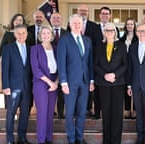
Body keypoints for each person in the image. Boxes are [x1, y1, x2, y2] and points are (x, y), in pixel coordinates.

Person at [57, 14, 95, 144]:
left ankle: (79, 137)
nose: (77, 25)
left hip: (85, 81)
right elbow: (61, 62)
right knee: (69, 112)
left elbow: (90, 62)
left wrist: (91, 80)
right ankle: (71, 138)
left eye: (79, 23)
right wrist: (63, 82)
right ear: (70, 24)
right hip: (70, 82)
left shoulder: (87, 40)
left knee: (82, 111)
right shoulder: (64, 40)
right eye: (74, 23)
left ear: (82, 25)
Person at [94, 23, 127, 144]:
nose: (109, 32)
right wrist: (105, 75)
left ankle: (116, 140)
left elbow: (125, 64)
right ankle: (106, 140)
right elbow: (95, 64)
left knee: (117, 114)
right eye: (107, 30)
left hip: (118, 83)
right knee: (106, 113)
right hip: (103, 84)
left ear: (115, 32)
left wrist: (115, 75)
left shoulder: (122, 46)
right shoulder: (98, 46)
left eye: (112, 30)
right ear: (104, 32)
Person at [2, 24, 32, 144]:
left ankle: (22, 138)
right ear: (14, 34)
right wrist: (5, 86)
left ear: (27, 34)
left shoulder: (31, 49)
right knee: (11, 113)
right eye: (18, 33)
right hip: (13, 87)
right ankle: (10, 139)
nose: (21, 35)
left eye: (23, 33)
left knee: (25, 114)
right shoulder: (8, 48)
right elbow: (5, 69)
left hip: (27, 87)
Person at [30, 25, 58, 144]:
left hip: (54, 82)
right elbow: (36, 69)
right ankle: (41, 140)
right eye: (43, 34)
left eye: (48, 33)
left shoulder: (56, 48)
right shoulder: (35, 49)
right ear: (40, 36)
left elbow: (61, 67)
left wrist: (56, 82)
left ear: (52, 35)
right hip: (41, 82)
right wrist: (50, 82)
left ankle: (48, 138)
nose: (46, 35)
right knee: (42, 112)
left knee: (50, 112)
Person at [0, 13, 26, 111]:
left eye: (21, 20)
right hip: (10, 68)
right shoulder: (8, 34)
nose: (18, 22)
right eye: (17, 20)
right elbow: (1, 52)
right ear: (13, 22)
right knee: (10, 95)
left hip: (22, 70)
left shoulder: (26, 35)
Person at [77, 4, 101, 119]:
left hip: (90, 60)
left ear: (88, 12)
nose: (83, 12)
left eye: (85, 11)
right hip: (76, 62)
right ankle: (78, 108)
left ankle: (88, 108)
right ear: (78, 11)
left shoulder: (94, 26)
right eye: (81, 10)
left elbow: (97, 44)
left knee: (90, 85)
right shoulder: (72, 24)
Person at [119, 17, 138, 119]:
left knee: (134, 87)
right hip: (124, 67)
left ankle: (134, 109)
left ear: (134, 26)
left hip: (135, 67)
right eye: (128, 24)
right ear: (125, 26)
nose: (130, 26)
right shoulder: (121, 40)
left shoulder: (138, 39)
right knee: (126, 87)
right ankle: (126, 109)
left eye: (132, 24)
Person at [49, 12, 67, 119]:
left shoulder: (66, 33)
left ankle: (60, 112)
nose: (56, 19)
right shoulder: (46, 32)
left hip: (63, 65)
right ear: (50, 20)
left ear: (61, 20)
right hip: (49, 66)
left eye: (58, 18)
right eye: (54, 18)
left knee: (61, 90)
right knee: (49, 90)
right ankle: (50, 111)